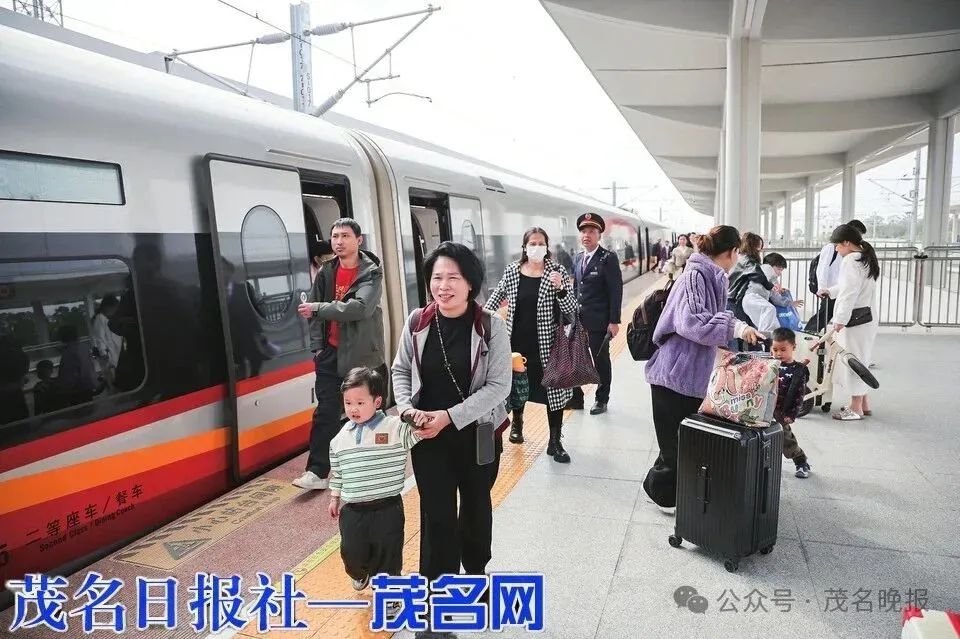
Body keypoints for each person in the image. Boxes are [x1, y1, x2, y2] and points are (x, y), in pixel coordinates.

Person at [391, 242, 511, 618]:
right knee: (437, 515)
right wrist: (407, 409)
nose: (443, 286)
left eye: (453, 278)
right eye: (437, 277)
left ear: (470, 283)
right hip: (428, 438)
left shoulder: (490, 326)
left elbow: (499, 386)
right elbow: (399, 369)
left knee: (476, 510)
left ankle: (475, 576)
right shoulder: (417, 322)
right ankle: (437, 590)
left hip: (477, 436)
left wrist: (449, 416)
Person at [642, 225, 761, 513]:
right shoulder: (696, 275)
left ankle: (663, 491)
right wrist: (734, 327)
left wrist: (733, 331)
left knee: (682, 440)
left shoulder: (711, 275)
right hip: (674, 373)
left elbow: (707, 319)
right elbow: (692, 322)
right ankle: (662, 495)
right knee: (674, 444)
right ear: (732, 252)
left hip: (688, 374)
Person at [294, 218, 386, 490]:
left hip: (362, 355)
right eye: (334, 236)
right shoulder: (326, 272)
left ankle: (374, 468)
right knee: (326, 412)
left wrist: (318, 308)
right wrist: (318, 348)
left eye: (345, 236)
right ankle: (317, 472)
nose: (338, 241)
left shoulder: (371, 273)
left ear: (359, 240)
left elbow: (359, 308)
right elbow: (314, 318)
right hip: (330, 354)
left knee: (367, 412)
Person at [327, 367, 420, 617]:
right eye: (348, 403)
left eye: (360, 402)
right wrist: (335, 497)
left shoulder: (394, 427)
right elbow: (338, 471)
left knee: (388, 556)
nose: (353, 409)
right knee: (351, 553)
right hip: (353, 511)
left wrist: (420, 419)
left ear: (377, 402)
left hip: (388, 507)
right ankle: (359, 574)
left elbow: (416, 434)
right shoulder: (339, 439)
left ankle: (390, 598)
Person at [484, 227, 579, 463]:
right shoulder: (512, 271)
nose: (537, 247)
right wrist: (478, 319)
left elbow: (572, 310)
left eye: (541, 243)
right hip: (516, 344)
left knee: (553, 392)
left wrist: (561, 289)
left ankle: (555, 442)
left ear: (547, 246)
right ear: (525, 247)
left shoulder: (556, 271)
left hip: (549, 345)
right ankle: (517, 424)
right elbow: (495, 299)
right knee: (518, 386)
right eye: (532, 243)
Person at [818, 224, 880, 420]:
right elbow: (850, 286)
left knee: (853, 361)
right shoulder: (864, 257)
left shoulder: (850, 260)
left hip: (854, 320)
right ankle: (864, 403)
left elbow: (849, 292)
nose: (836, 250)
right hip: (866, 318)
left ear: (846, 243)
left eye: (837, 245)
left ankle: (855, 408)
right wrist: (830, 291)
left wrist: (839, 319)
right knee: (861, 359)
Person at [568, 213, 623, 415]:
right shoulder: (578, 257)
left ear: (599, 235)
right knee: (575, 359)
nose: (586, 235)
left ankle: (601, 399)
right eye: (583, 231)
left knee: (601, 361)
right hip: (578, 320)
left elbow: (615, 291)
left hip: (599, 321)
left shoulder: (608, 258)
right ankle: (576, 397)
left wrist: (614, 321)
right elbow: (576, 288)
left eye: (591, 231)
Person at [770, 328, 813, 479]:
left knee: (785, 439)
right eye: (775, 349)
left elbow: (799, 395)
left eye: (783, 349)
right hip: (763, 409)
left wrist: (791, 414)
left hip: (781, 411)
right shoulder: (769, 364)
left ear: (793, 347)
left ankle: (800, 461)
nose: (778, 353)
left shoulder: (798, 370)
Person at [812, 219, 867, 331]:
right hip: (830, 288)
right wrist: (822, 288)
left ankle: (809, 334)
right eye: (858, 233)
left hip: (837, 289)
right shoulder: (832, 248)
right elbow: (822, 269)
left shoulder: (853, 256)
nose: (859, 237)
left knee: (826, 315)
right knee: (824, 315)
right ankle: (808, 334)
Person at [739, 252, 804, 338]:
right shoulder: (766, 268)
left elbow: (776, 298)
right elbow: (766, 276)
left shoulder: (769, 278)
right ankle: (766, 338)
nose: (780, 273)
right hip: (753, 298)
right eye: (779, 269)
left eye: (781, 270)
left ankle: (767, 339)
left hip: (751, 302)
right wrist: (775, 285)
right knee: (770, 310)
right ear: (771, 266)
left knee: (770, 324)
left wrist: (790, 303)